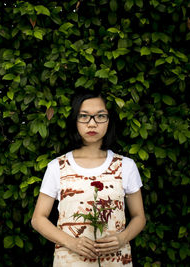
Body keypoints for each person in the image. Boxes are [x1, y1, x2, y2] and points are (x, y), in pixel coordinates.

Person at [31, 90, 146, 266]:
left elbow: (139, 217)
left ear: (109, 120)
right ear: (74, 120)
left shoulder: (125, 166)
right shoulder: (58, 166)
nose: (92, 124)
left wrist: (122, 238)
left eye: (100, 116)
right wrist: (72, 242)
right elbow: (38, 218)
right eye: (84, 116)